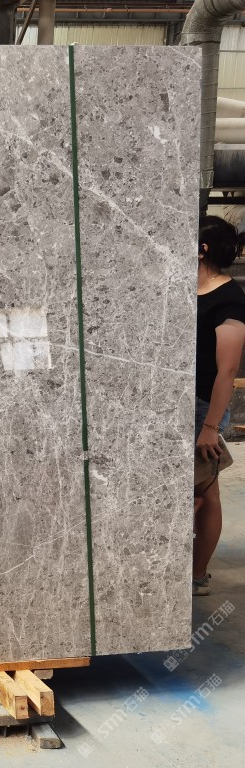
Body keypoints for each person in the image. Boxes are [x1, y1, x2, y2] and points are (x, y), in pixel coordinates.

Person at [194, 215, 245, 596]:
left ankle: (196, 576)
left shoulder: (229, 299)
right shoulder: (192, 289)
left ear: (202, 249)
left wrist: (210, 427)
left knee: (203, 493)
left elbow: (227, 371)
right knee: (200, 491)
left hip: (203, 408)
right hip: (181, 403)